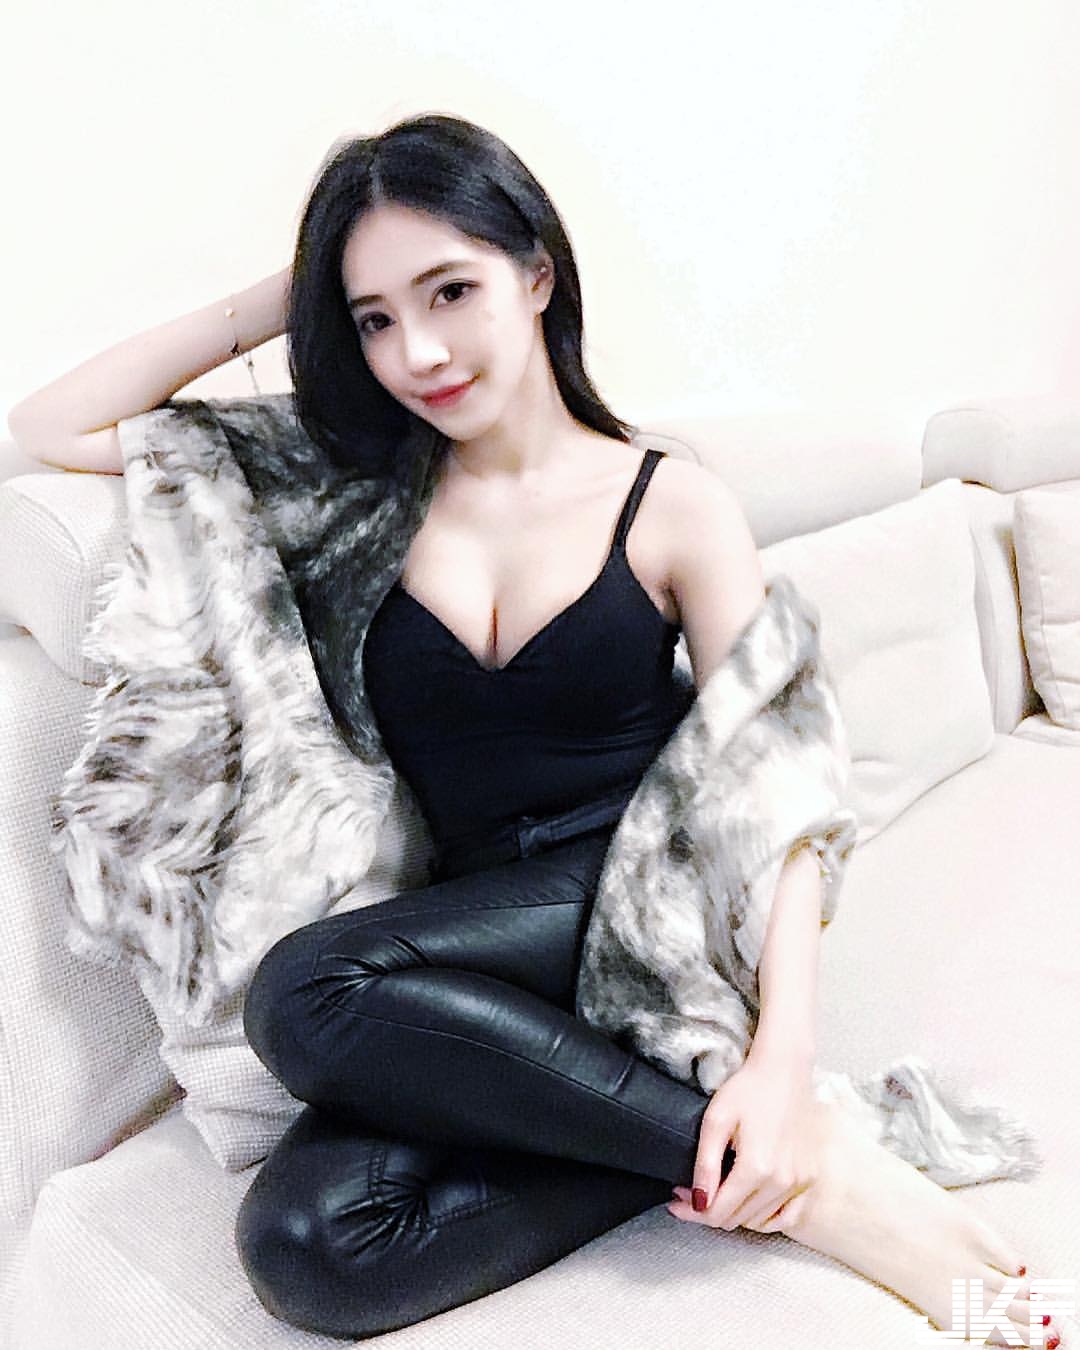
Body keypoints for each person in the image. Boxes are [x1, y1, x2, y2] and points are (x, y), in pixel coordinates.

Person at [9, 113, 1052, 1348]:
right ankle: (715, 1149)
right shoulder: (350, 488)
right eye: (374, 318)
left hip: (648, 895)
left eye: (451, 291)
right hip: (474, 939)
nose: (418, 350)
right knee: (309, 1246)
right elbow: (53, 427)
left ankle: (823, 1186)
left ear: (538, 273)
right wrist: (292, 293)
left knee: (309, 989)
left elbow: (782, 781)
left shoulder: (672, 502)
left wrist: (782, 1057)